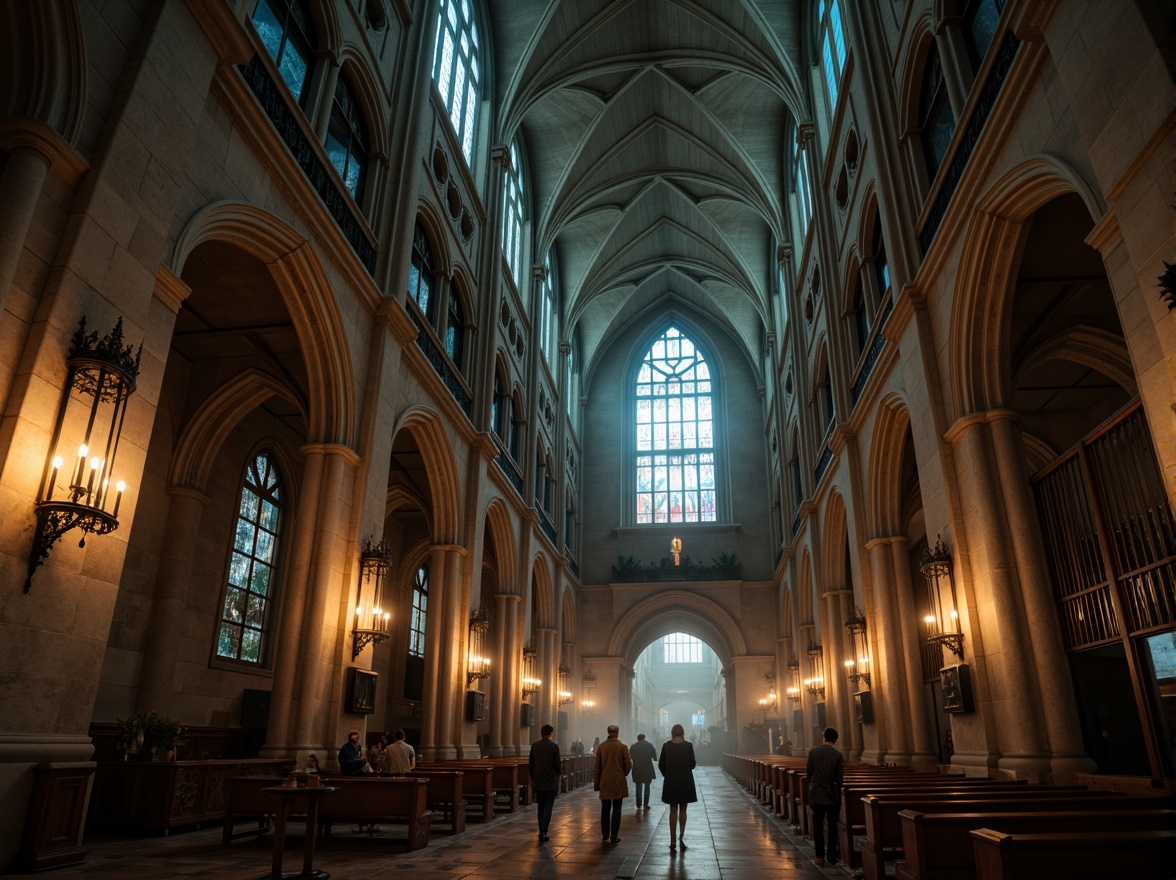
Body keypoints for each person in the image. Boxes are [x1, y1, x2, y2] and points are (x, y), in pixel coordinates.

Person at [806, 726, 844, 866]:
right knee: (833, 826)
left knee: (818, 825)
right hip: (831, 794)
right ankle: (832, 857)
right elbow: (839, 779)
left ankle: (819, 856)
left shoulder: (814, 752)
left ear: (824, 737)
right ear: (835, 739)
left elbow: (809, 773)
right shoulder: (838, 755)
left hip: (817, 793)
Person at [658, 723, 697, 851]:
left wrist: (667, 775)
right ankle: (681, 837)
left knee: (673, 810)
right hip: (685, 780)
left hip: (671, 781)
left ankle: (672, 840)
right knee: (683, 809)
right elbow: (692, 765)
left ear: (672, 733)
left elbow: (661, 764)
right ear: (683, 733)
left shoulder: (666, 746)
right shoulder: (688, 746)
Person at [593, 724, 632, 843]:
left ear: (608, 732)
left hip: (604, 780)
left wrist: (596, 783)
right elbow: (628, 765)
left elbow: (597, 767)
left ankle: (605, 833)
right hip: (618, 780)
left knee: (605, 807)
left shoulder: (601, 747)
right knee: (617, 807)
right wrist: (622, 773)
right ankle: (614, 835)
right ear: (618, 733)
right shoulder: (623, 746)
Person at [528, 723, 562, 842]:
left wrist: (533, 778)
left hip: (538, 780)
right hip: (550, 780)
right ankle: (544, 830)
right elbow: (557, 764)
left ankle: (540, 831)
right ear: (550, 733)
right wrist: (558, 774)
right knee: (548, 806)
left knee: (540, 806)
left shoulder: (535, 746)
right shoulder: (554, 746)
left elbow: (531, 764)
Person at [629, 733, 657, 810]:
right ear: (644, 738)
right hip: (647, 769)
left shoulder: (633, 746)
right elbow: (655, 758)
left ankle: (638, 804)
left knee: (638, 786)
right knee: (647, 787)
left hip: (637, 769)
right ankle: (646, 804)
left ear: (637, 739)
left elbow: (629, 757)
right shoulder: (650, 745)